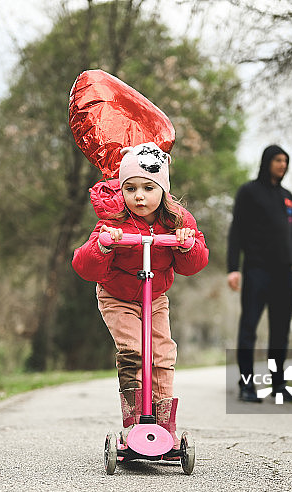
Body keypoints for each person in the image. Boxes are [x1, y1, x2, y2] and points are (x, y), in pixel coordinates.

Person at [72, 142, 209, 457]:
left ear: (163, 189)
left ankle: (163, 427)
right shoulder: (113, 220)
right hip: (116, 295)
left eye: (149, 187)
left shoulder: (176, 219)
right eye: (130, 188)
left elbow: (194, 264)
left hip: (155, 297)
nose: (139, 196)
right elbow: (84, 265)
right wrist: (105, 245)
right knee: (135, 350)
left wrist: (186, 246)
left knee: (161, 354)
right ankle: (135, 422)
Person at [227, 144, 292, 403]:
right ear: (267, 161)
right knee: (249, 328)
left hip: (285, 274)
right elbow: (236, 230)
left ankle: (278, 384)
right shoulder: (249, 192)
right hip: (257, 270)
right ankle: (246, 384)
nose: (283, 165)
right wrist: (233, 268)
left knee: (280, 331)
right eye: (278, 160)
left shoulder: (287, 196)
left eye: (286, 161)